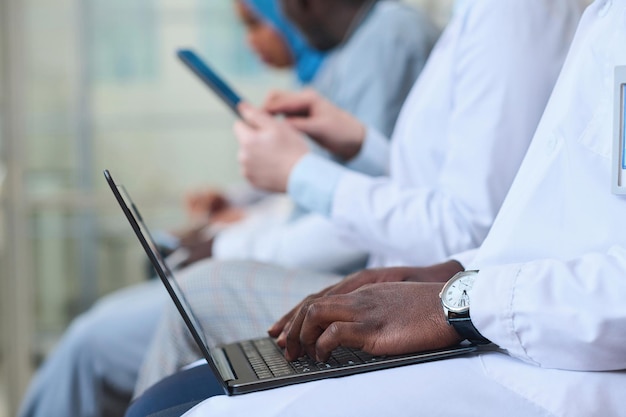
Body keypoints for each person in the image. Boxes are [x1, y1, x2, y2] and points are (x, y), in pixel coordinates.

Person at [132, 0, 626, 415]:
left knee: (184, 383)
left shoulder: (514, 14)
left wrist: (452, 297)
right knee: (175, 395)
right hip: (500, 304)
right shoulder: (583, 17)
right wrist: (362, 149)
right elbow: (554, 223)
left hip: (541, 350)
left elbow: (468, 219)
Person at [17, 1, 439, 417]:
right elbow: (374, 191)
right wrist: (250, 204)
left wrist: (234, 236)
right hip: (355, 259)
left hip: (367, 272)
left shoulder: (390, 38)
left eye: (258, 21)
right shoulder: (356, 51)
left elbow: (372, 212)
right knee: (118, 344)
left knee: (98, 340)